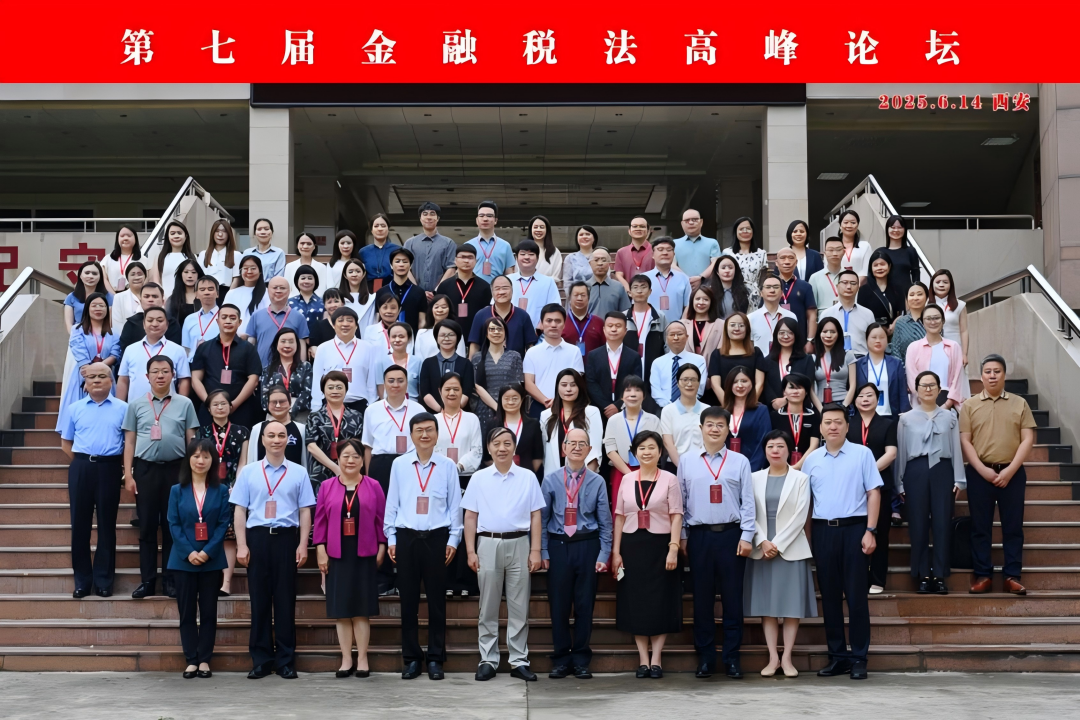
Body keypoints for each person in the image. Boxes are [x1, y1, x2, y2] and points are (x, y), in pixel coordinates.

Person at [802, 403, 882, 680]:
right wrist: (809, 539)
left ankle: (859, 657)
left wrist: (870, 530)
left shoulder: (862, 454)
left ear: (848, 426)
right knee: (830, 598)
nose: (833, 426)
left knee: (857, 597)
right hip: (823, 532)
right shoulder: (812, 460)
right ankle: (837, 657)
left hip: (855, 530)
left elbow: (873, 493)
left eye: (838, 422)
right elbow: (807, 503)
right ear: (821, 427)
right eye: (828, 422)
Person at [232, 421, 317, 679]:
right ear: (263, 440)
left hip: (286, 540)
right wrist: (241, 544)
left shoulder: (299, 472)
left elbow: (305, 511)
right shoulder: (249, 472)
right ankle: (261, 660)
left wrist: (303, 544)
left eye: (281, 435)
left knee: (285, 601)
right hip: (257, 539)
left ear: (288, 440)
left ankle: (285, 660)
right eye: (271, 435)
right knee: (259, 601)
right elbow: (239, 510)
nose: (276, 440)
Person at [463, 426, 545, 682]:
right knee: (487, 605)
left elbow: (536, 515)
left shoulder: (527, 477)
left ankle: (518, 660)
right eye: (496, 443)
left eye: (507, 443)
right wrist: (470, 550)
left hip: (520, 543)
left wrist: (535, 550)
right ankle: (488, 659)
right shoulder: (479, 478)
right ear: (488, 448)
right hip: (488, 544)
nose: (502, 448)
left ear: (514, 447)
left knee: (519, 606)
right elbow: (470, 516)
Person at [677, 407, 754, 679]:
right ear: (701, 428)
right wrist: (683, 536)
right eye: (709, 424)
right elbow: (681, 502)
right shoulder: (686, 461)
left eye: (720, 425)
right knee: (702, 599)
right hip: (699, 537)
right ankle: (706, 658)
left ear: (728, 429)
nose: (715, 429)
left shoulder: (740, 461)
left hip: (731, 536)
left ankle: (732, 658)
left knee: (733, 598)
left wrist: (747, 536)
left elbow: (748, 502)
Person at [384, 414, 462, 680]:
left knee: (437, 601)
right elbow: (392, 503)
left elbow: (455, 506)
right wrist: (391, 538)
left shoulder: (447, 466)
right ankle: (411, 658)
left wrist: (453, 540)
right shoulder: (399, 464)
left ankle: (436, 658)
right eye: (419, 430)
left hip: (437, 538)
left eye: (430, 430)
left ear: (437, 435)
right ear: (412, 435)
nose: (425, 435)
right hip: (406, 538)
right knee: (408, 601)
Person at [122, 355, 200, 599]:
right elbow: (130, 441)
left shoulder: (185, 403)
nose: (160, 375)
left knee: (171, 527)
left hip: (175, 471)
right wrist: (128, 474)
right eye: (155, 371)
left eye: (165, 371)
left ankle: (170, 580)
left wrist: (192, 475)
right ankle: (147, 581)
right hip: (145, 470)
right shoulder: (136, 405)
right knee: (146, 527)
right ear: (147, 377)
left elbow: (191, 440)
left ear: (173, 375)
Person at [960, 354, 1036, 595]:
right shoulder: (969, 405)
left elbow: (1028, 439)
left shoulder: (1019, 403)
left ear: (1004, 375)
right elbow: (965, 441)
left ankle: (1012, 576)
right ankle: (983, 575)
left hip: (1012, 473)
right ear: (981, 376)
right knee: (980, 527)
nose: (992, 375)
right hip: (979, 473)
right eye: (988, 371)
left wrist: (1010, 470)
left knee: (1013, 527)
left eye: (997, 371)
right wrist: (982, 470)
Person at [540, 428, 613, 679]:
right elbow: (542, 520)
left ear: (589, 449)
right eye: (572, 443)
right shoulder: (550, 480)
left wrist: (604, 554)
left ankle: (581, 659)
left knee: (584, 604)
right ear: (564, 448)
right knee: (559, 605)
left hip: (587, 545)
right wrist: (543, 551)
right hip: (558, 546)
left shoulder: (597, 481)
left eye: (583, 444)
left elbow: (605, 522)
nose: (577, 447)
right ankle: (561, 659)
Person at [744, 430, 816, 678]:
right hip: (761, 549)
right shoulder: (753, 478)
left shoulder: (801, 478)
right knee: (768, 607)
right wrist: (763, 541)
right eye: (770, 446)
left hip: (791, 549)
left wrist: (777, 544)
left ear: (789, 450)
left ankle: (787, 658)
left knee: (791, 606)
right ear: (764, 451)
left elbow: (800, 515)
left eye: (780, 446)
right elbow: (749, 513)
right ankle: (773, 657)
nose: (775, 450)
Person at [611, 430, 683, 678]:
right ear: (634, 453)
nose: (646, 452)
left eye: (652, 447)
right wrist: (616, 551)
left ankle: (657, 659)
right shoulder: (627, 479)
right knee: (636, 602)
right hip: (632, 546)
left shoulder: (670, 479)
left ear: (660, 451)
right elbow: (619, 517)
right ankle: (643, 659)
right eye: (641, 448)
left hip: (661, 546)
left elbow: (676, 515)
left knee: (660, 601)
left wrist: (673, 548)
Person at [313, 437, 385, 679]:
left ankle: (362, 658)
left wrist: (382, 545)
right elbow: (320, 521)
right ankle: (346, 658)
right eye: (346, 456)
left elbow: (381, 519)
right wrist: (320, 549)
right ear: (338, 459)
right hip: (336, 553)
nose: (351, 460)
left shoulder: (373, 485)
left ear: (362, 460)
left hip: (365, 551)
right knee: (341, 609)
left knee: (361, 608)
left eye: (356, 456)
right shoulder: (327, 486)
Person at [896, 371, 967, 594]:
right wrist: (899, 482)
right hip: (915, 470)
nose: (928, 389)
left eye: (932, 385)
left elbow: (956, 448)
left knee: (942, 523)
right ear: (916, 390)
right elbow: (901, 452)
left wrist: (959, 479)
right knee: (918, 524)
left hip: (943, 470)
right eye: (923, 385)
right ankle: (923, 575)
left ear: (939, 389)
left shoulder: (950, 417)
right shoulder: (905, 419)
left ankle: (940, 574)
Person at [60, 362, 126, 598]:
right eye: (91, 377)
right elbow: (65, 443)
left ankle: (104, 581)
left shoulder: (123, 408)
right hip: (81, 467)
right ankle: (82, 581)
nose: (97, 380)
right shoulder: (74, 408)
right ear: (85, 384)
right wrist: (85, 461)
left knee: (107, 525)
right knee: (80, 525)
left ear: (111, 381)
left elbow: (128, 442)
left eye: (102, 376)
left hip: (110, 468)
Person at [168, 437, 232, 679]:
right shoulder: (177, 491)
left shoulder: (221, 490)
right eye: (196, 456)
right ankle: (191, 660)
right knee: (186, 612)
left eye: (206, 456)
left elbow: (223, 524)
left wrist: (206, 552)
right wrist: (189, 552)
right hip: (183, 560)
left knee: (208, 612)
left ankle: (204, 659)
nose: (201, 461)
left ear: (212, 460)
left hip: (211, 560)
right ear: (188, 459)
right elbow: (173, 524)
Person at [848, 383, 898, 594]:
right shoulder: (848, 424)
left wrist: (868, 472)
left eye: (870, 395)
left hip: (880, 485)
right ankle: (857, 578)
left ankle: (878, 579)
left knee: (881, 532)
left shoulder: (887, 424)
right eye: (860, 396)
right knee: (855, 533)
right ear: (854, 400)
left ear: (878, 399)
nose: (865, 399)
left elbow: (891, 453)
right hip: (852, 486)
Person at [198, 389, 250, 595]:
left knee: (229, 536)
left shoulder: (242, 432)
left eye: (223, 403)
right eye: (215, 404)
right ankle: (208, 580)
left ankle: (226, 583)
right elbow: (197, 461)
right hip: (207, 487)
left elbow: (244, 461)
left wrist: (237, 484)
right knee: (207, 533)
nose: (220, 407)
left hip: (233, 488)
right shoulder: (201, 432)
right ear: (209, 409)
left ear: (230, 406)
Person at [190, 304, 262, 427]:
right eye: (224, 317)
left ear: (239, 322)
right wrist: (210, 403)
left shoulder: (248, 348)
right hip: (209, 410)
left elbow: (254, 380)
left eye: (232, 318)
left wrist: (234, 405)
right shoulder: (204, 347)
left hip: (240, 408)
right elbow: (195, 379)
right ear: (217, 321)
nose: (228, 321)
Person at [57, 293, 121, 433]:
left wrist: (98, 370)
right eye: (94, 305)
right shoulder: (77, 330)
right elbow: (80, 354)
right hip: (82, 376)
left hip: (106, 377)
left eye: (102, 305)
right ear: (87, 309)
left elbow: (115, 354)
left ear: (107, 309)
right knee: (79, 420)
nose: (98, 308)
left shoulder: (114, 333)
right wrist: (90, 378)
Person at [603, 377, 662, 510]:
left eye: (637, 390)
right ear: (621, 396)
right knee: (621, 510)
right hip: (621, 470)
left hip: (649, 471)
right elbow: (610, 450)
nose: (633, 394)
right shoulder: (613, 420)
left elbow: (658, 448)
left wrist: (644, 470)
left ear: (644, 395)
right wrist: (629, 473)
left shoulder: (653, 420)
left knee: (648, 508)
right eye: (628, 390)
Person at [311, 307, 379, 412]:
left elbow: (371, 379)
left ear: (356, 326)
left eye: (350, 320)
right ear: (333, 325)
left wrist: (371, 405)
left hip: (359, 404)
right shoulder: (323, 348)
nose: (345, 324)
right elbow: (317, 379)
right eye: (341, 320)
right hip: (330, 404)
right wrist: (316, 407)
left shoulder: (368, 348)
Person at [116, 307, 191, 401]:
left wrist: (181, 405)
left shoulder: (178, 350)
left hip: (168, 406)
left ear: (167, 325)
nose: (155, 324)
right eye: (150, 320)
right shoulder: (130, 349)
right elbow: (123, 380)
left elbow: (183, 380)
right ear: (144, 324)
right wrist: (120, 405)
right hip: (136, 407)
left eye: (160, 320)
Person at [307, 371, 365, 491]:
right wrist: (336, 468)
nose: (335, 391)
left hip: (350, 469)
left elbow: (359, 445)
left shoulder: (356, 416)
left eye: (339, 387)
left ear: (346, 390)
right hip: (321, 471)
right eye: (330, 387)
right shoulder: (315, 417)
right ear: (323, 391)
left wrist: (344, 468)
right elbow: (311, 446)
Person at [524, 304, 585, 418]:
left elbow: (577, 381)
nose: (553, 325)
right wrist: (546, 401)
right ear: (542, 323)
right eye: (549, 321)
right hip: (539, 406)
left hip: (568, 406)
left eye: (558, 321)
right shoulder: (532, 352)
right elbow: (528, 383)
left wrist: (559, 402)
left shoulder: (574, 351)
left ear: (564, 324)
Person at [540, 369, 603, 473]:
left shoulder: (591, 412)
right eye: (564, 385)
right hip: (554, 476)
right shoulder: (546, 415)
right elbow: (544, 453)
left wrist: (583, 478)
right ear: (557, 387)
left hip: (583, 475)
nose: (568, 389)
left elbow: (595, 451)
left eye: (573, 385)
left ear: (580, 387)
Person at [905, 304, 965, 409]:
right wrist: (925, 403)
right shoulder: (913, 347)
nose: (933, 322)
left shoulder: (953, 346)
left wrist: (947, 405)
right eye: (928, 318)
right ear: (922, 322)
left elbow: (958, 379)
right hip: (921, 405)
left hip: (948, 403)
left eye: (936, 318)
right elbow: (912, 379)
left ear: (943, 321)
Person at [471, 317, 524, 431]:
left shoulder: (514, 356)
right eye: (492, 329)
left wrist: (504, 407)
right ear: (486, 334)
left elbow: (518, 385)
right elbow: (476, 386)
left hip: (509, 407)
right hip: (484, 410)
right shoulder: (477, 357)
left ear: (505, 333)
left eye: (500, 329)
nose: (496, 332)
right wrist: (497, 407)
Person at [586, 313, 642, 417]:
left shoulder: (634, 356)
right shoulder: (593, 355)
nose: (613, 329)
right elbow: (591, 383)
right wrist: (606, 406)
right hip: (599, 410)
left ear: (625, 331)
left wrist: (618, 405)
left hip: (626, 409)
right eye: (610, 326)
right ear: (604, 329)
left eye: (618, 326)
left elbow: (636, 383)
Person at [467, 275, 538, 358]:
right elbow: (474, 345)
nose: (501, 292)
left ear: (512, 290)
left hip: (516, 364)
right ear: (492, 292)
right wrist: (471, 363)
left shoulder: (523, 315)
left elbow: (530, 346)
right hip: (487, 364)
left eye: (505, 288)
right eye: (497, 289)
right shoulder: (481, 315)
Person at [246, 277, 309, 367]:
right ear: (268, 291)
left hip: (290, 371)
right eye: (275, 288)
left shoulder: (299, 317)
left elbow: (302, 345)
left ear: (289, 291)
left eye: (282, 288)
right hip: (262, 369)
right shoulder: (256, 316)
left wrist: (302, 369)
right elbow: (250, 344)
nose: (278, 291)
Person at [435, 244, 491, 343]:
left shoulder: (485, 286)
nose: (466, 261)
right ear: (455, 261)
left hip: (476, 336)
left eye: (470, 257)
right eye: (462, 257)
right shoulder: (444, 285)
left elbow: (487, 314)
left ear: (476, 261)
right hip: (449, 336)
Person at [708, 312, 766, 405]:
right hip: (725, 407)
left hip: (751, 406)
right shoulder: (717, 354)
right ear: (726, 329)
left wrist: (748, 405)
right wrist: (729, 406)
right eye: (732, 325)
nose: (737, 328)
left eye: (741, 325)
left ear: (747, 329)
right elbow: (715, 385)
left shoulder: (756, 352)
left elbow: (759, 383)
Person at [853, 323, 911, 417]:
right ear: (866, 340)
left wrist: (905, 415)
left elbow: (903, 394)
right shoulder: (858, 365)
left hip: (890, 416)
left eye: (882, 337)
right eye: (874, 337)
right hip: (865, 416)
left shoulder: (896, 364)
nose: (878, 341)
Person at [418, 320, 475, 412]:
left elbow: (467, 391)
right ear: (436, 338)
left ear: (457, 338)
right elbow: (425, 392)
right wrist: (441, 411)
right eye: (442, 335)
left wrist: (453, 410)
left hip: (460, 413)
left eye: (451, 335)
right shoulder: (428, 363)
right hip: (433, 414)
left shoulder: (466, 363)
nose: (447, 338)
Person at [761, 317, 816, 409]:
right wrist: (774, 402)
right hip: (773, 410)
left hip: (800, 409)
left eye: (790, 333)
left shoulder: (807, 360)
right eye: (781, 333)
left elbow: (807, 386)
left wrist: (786, 400)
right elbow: (766, 387)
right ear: (776, 335)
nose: (786, 336)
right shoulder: (767, 361)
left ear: (796, 335)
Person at [723, 366, 771, 472]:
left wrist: (751, 469)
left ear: (752, 384)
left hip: (752, 469)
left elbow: (763, 442)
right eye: (735, 382)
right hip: (725, 469)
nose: (740, 385)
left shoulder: (761, 410)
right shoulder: (722, 411)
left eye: (744, 381)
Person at [659, 364, 708, 468]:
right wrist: (682, 468)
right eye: (685, 380)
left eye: (693, 380)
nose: (689, 384)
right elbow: (668, 443)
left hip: (703, 466)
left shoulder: (707, 410)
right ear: (677, 383)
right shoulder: (668, 410)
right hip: (675, 465)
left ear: (699, 383)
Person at [435, 374, 484, 474]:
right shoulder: (433, 420)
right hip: (440, 474)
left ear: (462, 391)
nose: (452, 393)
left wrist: (459, 467)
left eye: (456, 389)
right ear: (440, 391)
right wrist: (446, 467)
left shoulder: (472, 419)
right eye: (447, 389)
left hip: (466, 475)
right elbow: (431, 449)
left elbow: (477, 450)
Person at [769, 373, 820, 471]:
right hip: (781, 467)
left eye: (799, 388)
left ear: (806, 392)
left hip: (808, 466)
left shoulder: (813, 416)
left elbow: (814, 445)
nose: (795, 391)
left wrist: (797, 466)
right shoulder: (775, 416)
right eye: (791, 387)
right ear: (784, 392)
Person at [117, 282, 183, 357]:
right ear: (140, 301)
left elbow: (174, 351)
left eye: (155, 296)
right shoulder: (131, 323)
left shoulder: (172, 323)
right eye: (146, 296)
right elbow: (125, 351)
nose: (150, 299)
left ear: (163, 301)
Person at [650, 322, 706, 409]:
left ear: (687, 337)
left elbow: (700, 387)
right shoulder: (657, 362)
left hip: (691, 407)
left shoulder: (699, 360)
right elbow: (655, 390)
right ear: (666, 338)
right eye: (672, 335)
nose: (676, 338)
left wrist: (684, 404)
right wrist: (670, 408)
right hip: (664, 409)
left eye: (679, 334)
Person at [404, 202, 457, 294]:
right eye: (425, 214)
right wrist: (418, 291)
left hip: (440, 295)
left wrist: (436, 291)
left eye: (432, 214)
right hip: (414, 294)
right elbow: (405, 269)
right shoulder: (410, 243)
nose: (428, 217)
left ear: (438, 218)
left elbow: (451, 269)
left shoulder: (449, 243)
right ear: (420, 219)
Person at [818, 270, 875, 356]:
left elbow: (873, 340)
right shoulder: (826, 314)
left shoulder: (868, 314)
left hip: (861, 358)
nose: (849, 286)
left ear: (858, 287)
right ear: (837, 286)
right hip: (834, 359)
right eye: (844, 283)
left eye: (853, 283)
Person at [249, 385, 308, 468]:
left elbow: (306, 462)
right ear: (268, 405)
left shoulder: (302, 429)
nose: (278, 405)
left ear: (290, 403)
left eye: (282, 402)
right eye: (274, 402)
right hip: (262, 475)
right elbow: (251, 460)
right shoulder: (257, 429)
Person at [508, 239, 562, 329]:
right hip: (509, 332)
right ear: (516, 258)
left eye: (531, 254)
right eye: (522, 254)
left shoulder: (548, 282)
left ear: (537, 258)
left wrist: (539, 329)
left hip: (538, 333)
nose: (526, 257)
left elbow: (554, 308)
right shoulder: (507, 280)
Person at [259, 328, 313, 416]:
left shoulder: (305, 367)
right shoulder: (267, 370)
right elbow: (264, 398)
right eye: (283, 341)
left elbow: (307, 393)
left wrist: (291, 410)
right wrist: (280, 410)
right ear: (276, 344)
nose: (287, 345)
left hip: (300, 415)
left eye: (291, 342)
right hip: (274, 413)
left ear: (297, 345)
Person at [624, 275, 668, 381]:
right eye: (635, 287)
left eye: (643, 287)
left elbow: (667, 344)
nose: (639, 291)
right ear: (629, 292)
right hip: (628, 368)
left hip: (654, 367)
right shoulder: (623, 317)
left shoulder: (660, 316)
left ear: (650, 291)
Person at [930, 268, 970, 378]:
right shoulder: (926, 305)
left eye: (945, 282)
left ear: (951, 285)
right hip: (933, 349)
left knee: (956, 380)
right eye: (938, 282)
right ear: (932, 284)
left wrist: (964, 354)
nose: (941, 285)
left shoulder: (960, 305)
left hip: (955, 348)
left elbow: (964, 331)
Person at [772, 247, 817, 345]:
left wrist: (810, 340)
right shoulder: (770, 285)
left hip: (800, 339)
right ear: (776, 263)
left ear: (796, 262)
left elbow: (812, 315)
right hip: (775, 338)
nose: (787, 262)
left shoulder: (805, 286)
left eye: (791, 258)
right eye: (783, 258)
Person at [464, 201, 516, 284]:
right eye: (481, 216)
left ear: (495, 220)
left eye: (489, 216)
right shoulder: (468, 245)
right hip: (473, 289)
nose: (485, 219)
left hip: (498, 289)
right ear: (477, 220)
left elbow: (509, 274)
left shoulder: (505, 246)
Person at [721, 217, 768, 308]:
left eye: (748, 228)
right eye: (741, 229)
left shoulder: (761, 253)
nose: (745, 231)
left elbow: (764, 276)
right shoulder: (727, 253)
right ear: (735, 232)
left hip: (755, 295)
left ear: (753, 231)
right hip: (733, 292)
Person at [814, 317, 856, 406]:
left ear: (838, 334)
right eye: (825, 331)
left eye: (833, 332)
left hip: (843, 402)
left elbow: (853, 385)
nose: (828, 335)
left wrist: (844, 406)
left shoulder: (848, 355)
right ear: (819, 334)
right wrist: (821, 410)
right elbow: (811, 390)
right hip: (821, 404)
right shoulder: (813, 358)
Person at [748, 276, 795, 356]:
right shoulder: (751, 318)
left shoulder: (791, 316)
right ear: (761, 293)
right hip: (760, 362)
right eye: (768, 287)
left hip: (785, 361)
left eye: (776, 287)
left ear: (782, 293)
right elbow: (749, 346)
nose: (772, 290)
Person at [673, 208, 721, 286]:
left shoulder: (712, 243)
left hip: (707, 288)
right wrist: (687, 280)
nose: (691, 222)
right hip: (682, 286)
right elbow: (671, 265)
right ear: (682, 224)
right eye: (687, 220)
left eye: (694, 220)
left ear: (701, 222)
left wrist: (701, 278)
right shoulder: (674, 244)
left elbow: (716, 263)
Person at [375, 322, 422, 400]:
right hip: (389, 404)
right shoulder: (381, 362)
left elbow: (421, 389)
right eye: (393, 337)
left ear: (409, 338)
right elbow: (381, 390)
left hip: (412, 403)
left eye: (401, 336)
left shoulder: (418, 362)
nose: (397, 340)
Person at [222, 255, 270, 332]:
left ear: (260, 271)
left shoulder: (268, 293)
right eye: (245, 268)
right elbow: (224, 316)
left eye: (253, 268)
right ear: (240, 271)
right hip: (234, 336)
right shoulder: (232, 293)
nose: (249, 271)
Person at [858, 250, 904, 327]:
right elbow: (861, 315)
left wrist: (894, 325)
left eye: (882, 264)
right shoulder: (864, 290)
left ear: (889, 266)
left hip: (895, 330)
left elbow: (902, 312)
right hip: (872, 331)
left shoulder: (897, 289)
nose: (879, 268)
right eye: (875, 265)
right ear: (871, 268)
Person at [153, 220, 198, 298]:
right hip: (166, 300)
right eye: (172, 233)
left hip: (187, 300)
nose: (176, 236)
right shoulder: (160, 257)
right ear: (167, 237)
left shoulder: (193, 257)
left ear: (186, 236)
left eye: (179, 233)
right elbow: (156, 281)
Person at [562, 281, 606, 357]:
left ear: (588, 298)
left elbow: (604, 348)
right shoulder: (562, 322)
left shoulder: (599, 322)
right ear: (569, 298)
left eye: (583, 295)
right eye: (576, 295)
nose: (579, 298)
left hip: (592, 364)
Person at [415, 295, 466, 360]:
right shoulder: (421, 333)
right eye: (436, 307)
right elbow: (418, 359)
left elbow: (461, 357)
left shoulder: (456, 332)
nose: (440, 310)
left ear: (449, 309)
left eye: (444, 307)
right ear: (431, 310)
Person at [181, 276, 221, 359]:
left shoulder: (224, 318)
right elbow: (186, 349)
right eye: (202, 290)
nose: (206, 292)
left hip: (216, 362)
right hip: (193, 362)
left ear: (217, 293)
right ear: (196, 294)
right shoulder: (189, 319)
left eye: (210, 289)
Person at [889, 281, 929, 361]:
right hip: (905, 367)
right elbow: (895, 350)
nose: (915, 298)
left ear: (927, 297)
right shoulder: (900, 322)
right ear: (907, 299)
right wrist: (903, 367)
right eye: (911, 295)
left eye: (919, 294)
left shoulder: (932, 320)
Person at [881, 215, 922, 293]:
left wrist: (915, 291)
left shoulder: (910, 251)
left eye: (899, 227)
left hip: (906, 294)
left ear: (904, 230)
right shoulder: (881, 252)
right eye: (893, 227)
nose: (896, 230)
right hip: (885, 294)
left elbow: (916, 275)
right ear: (887, 229)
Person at [199, 218, 241, 295]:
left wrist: (229, 295)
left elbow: (236, 279)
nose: (220, 234)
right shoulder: (203, 254)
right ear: (212, 233)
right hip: (206, 292)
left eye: (224, 231)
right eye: (217, 231)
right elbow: (198, 277)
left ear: (229, 234)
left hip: (226, 292)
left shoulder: (236, 255)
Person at [64, 260, 111, 327]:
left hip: (101, 332)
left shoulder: (109, 297)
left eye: (94, 273)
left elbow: (110, 323)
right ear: (80, 275)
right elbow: (69, 324)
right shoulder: (71, 297)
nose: (90, 276)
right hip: (77, 332)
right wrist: (75, 334)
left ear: (100, 277)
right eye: (87, 273)